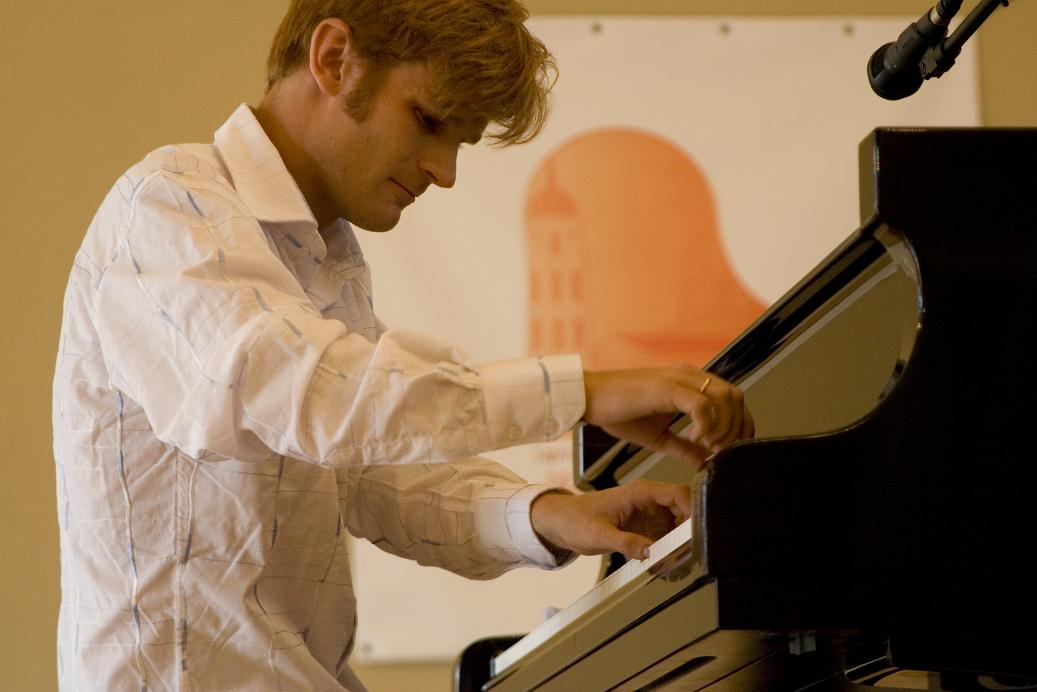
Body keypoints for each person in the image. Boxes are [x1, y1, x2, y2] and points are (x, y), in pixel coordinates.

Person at [52, 1, 753, 689]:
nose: (445, 171)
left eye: (461, 142)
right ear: (334, 59)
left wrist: (547, 516)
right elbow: (315, 398)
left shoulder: (325, 259)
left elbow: (369, 473)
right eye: (428, 121)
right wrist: (583, 392)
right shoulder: (167, 205)